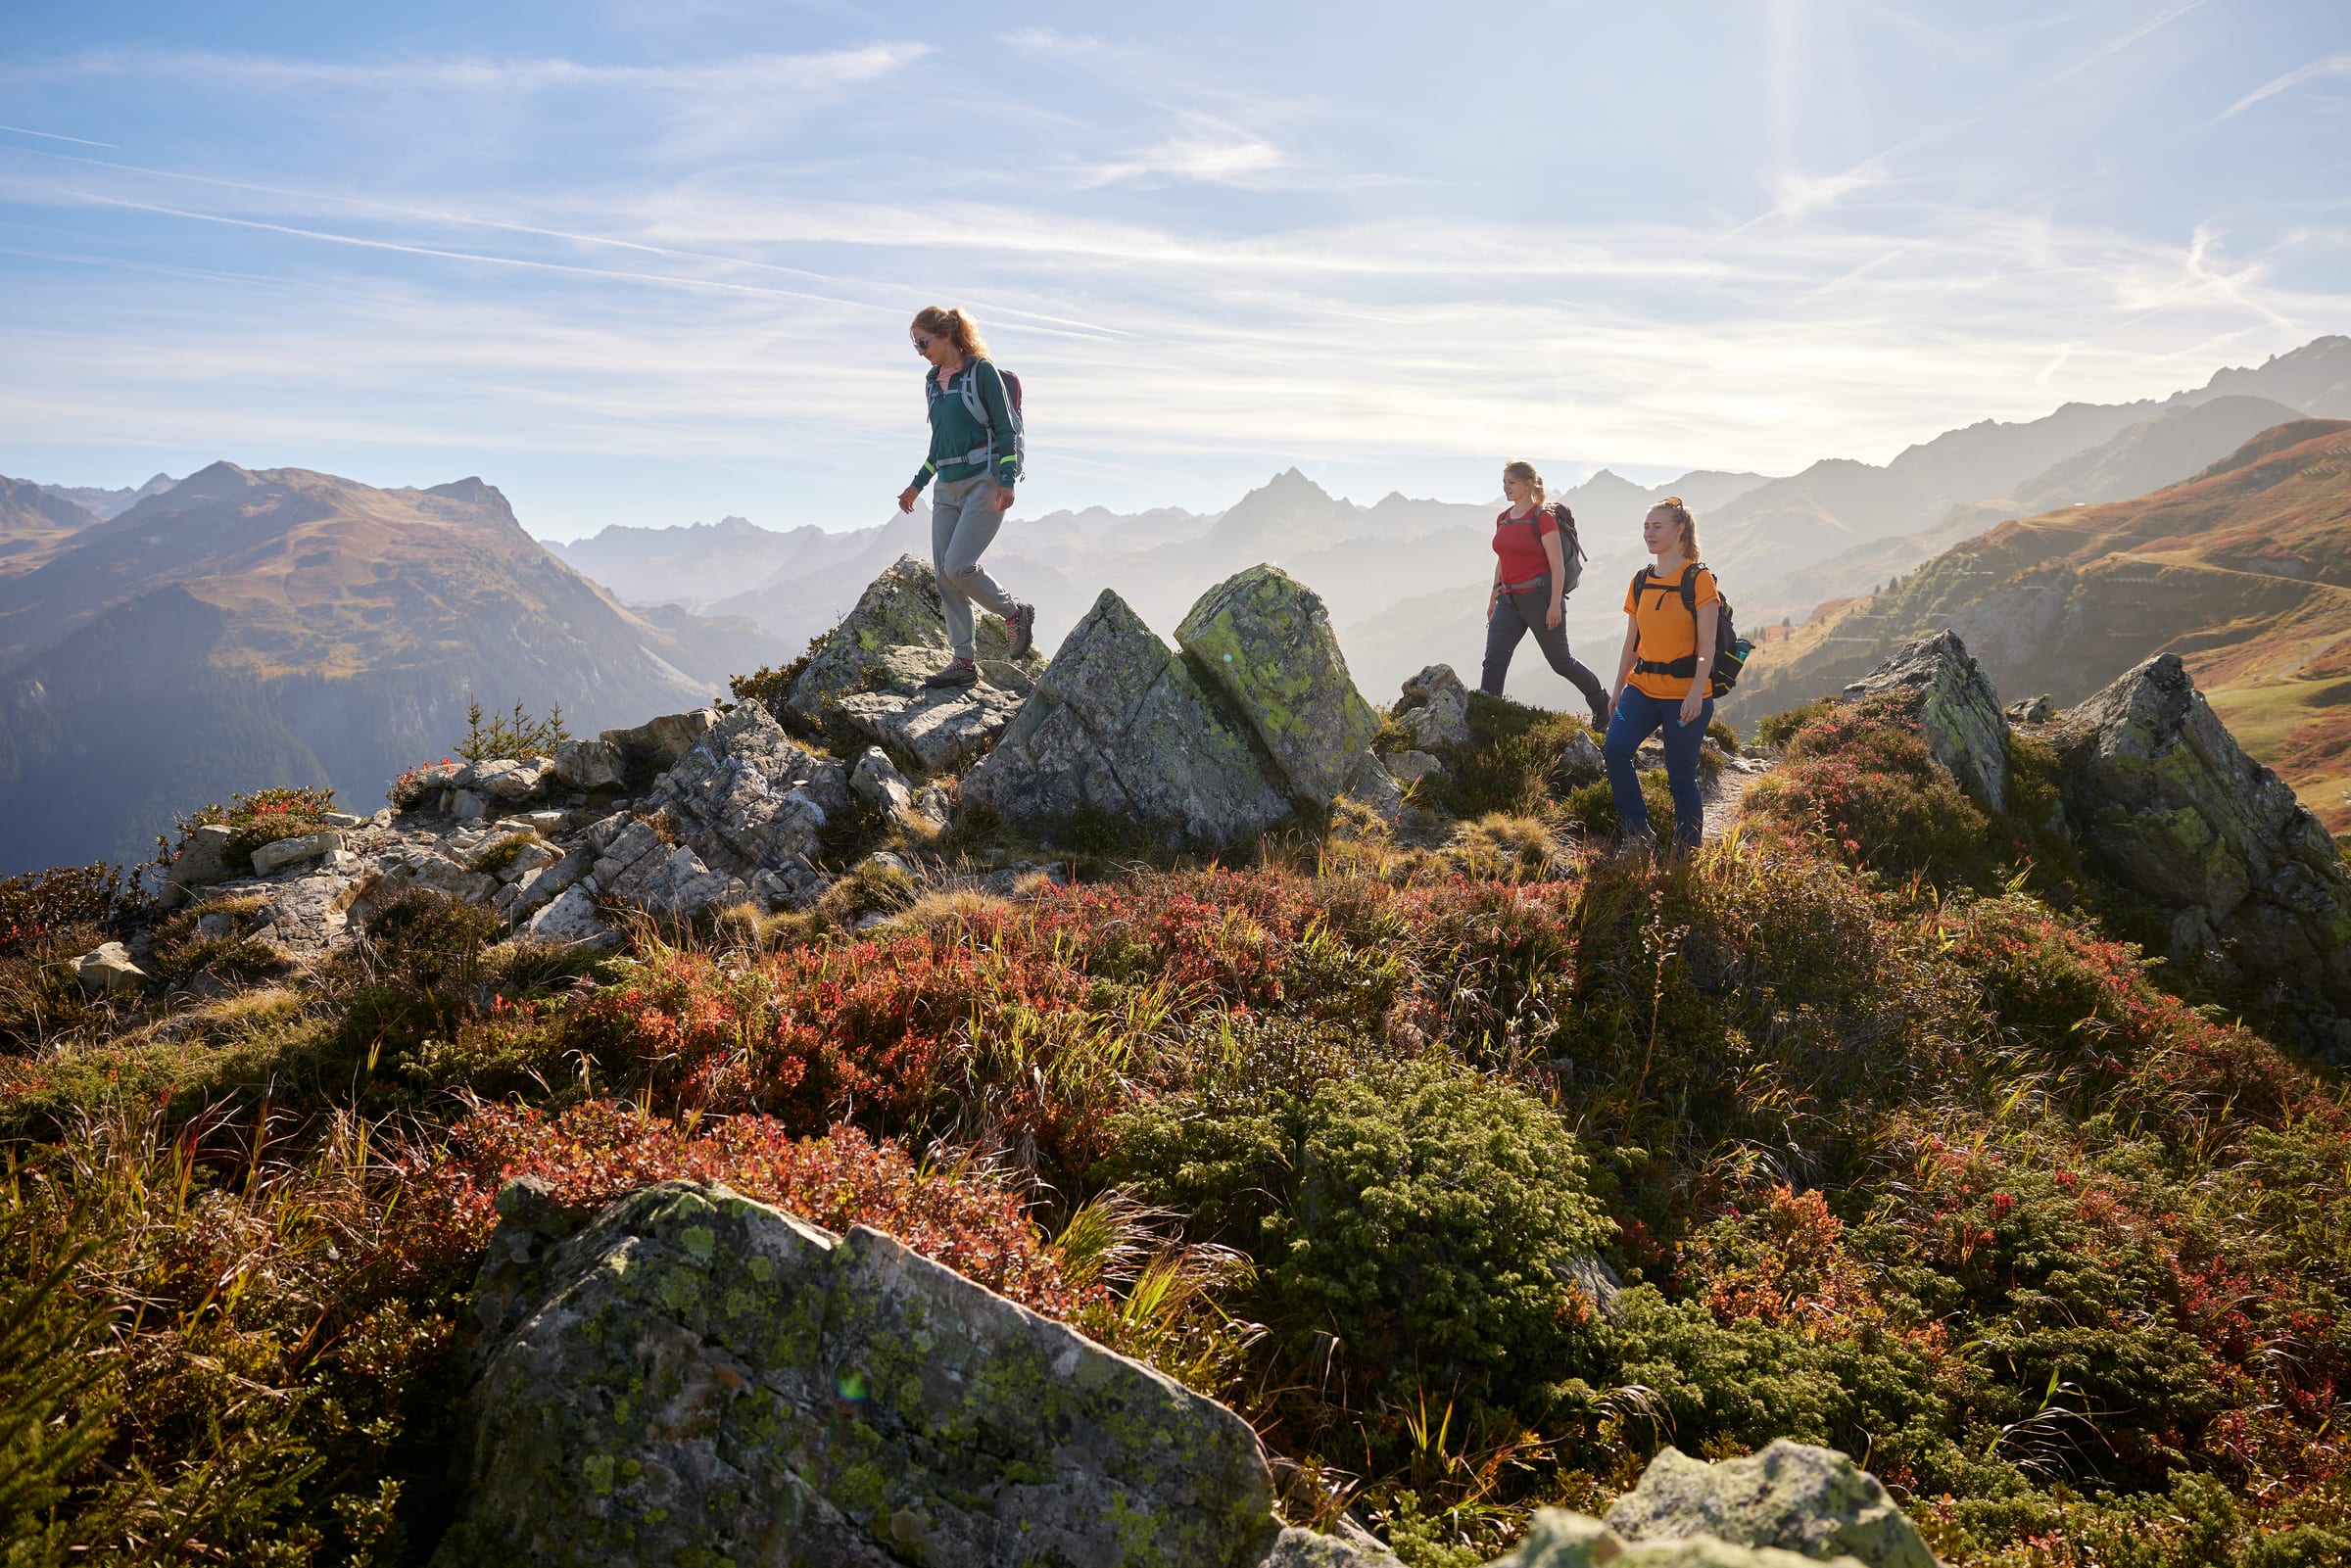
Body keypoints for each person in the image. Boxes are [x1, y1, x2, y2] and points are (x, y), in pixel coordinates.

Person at [896, 306, 1035, 689]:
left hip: (983, 481)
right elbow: (939, 442)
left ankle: (1013, 612)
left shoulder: (981, 372)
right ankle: (963, 662)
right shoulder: (931, 383)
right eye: (915, 345)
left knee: (959, 567)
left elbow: (1006, 429)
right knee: (944, 575)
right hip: (946, 487)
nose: (920, 351)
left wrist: (1006, 479)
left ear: (946, 336)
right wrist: (917, 484)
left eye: (923, 342)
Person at [1604, 497, 1717, 853]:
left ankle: (1686, 852)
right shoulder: (1640, 581)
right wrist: (1618, 688)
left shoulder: (1698, 580)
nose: (1649, 534)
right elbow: (1631, 643)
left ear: (1679, 530)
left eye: (1657, 527)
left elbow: (1707, 646)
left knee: (1680, 775)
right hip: (1642, 687)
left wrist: (1697, 691)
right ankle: (1637, 834)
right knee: (1615, 750)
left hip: (1686, 692)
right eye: (1646, 527)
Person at [1480, 460, 1610, 729]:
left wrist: (1554, 605)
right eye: (1504, 482)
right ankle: (1486, 717)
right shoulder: (1503, 518)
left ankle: (1602, 704)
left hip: (1540, 599)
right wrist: (1494, 596)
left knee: (1561, 662)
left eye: (1511, 482)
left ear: (1528, 483)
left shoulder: (1543, 518)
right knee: (1494, 659)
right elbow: (1503, 559)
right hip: (1509, 600)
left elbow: (1557, 566)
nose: (1506, 487)